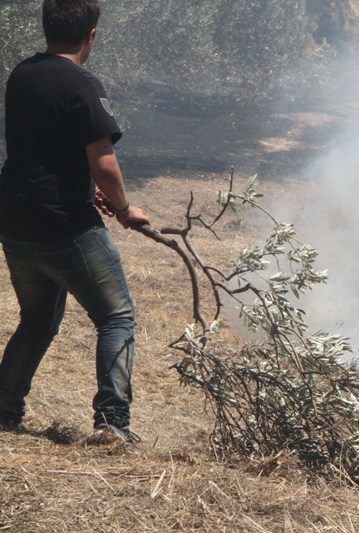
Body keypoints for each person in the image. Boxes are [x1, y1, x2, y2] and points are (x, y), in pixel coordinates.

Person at [0, 0, 149, 443]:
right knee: (117, 317)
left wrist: (89, 191)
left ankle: (4, 411)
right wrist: (124, 209)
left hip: (14, 219)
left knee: (37, 319)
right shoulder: (83, 84)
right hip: (63, 226)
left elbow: (45, 147)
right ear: (91, 36)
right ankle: (111, 424)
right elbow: (103, 163)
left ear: (46, 28)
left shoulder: (21, 73)